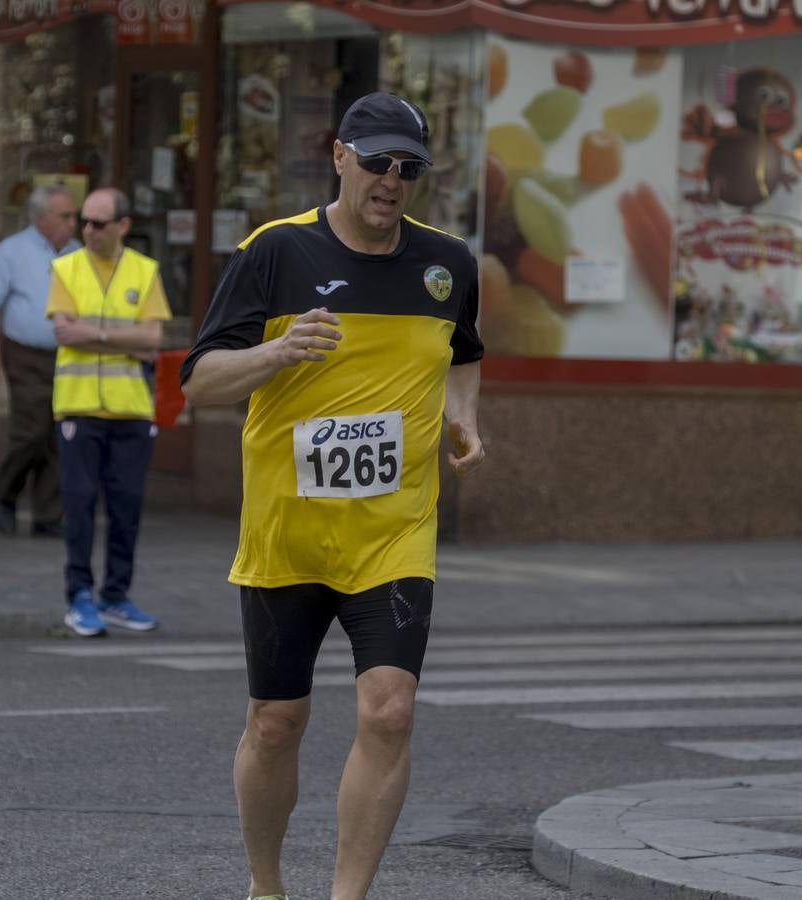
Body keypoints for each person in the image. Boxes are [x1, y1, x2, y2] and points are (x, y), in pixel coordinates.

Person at [180, 92, 485, 900]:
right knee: (276, 725)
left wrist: (463, 419)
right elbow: (200, 381)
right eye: (379, 161)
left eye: (409, 167)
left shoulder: (448, 263)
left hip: (393, 532)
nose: (392, 179)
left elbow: (464, 352)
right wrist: (278, 352)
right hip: (289, 533)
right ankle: (267, 886)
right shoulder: (274, 251)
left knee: (390, 711)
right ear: (340, 156)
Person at [49, 187, 170, 637]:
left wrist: (92, 333)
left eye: (98, 223)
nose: (88, 230)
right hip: (79, 406)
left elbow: (153, 339)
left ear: (123, 226)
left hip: (131, 410)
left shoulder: (145, 270)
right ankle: (79, 595)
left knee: (127, 507)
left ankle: (116, 596)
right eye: (84, 221)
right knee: (78, 505)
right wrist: (123, 337)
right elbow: (64, 334)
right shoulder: (65, 267)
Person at [0, 184, 80, 537]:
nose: (73, 223)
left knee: (58, 434)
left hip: (68, 355)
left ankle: (48, 515)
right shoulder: (12, 251)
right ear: (41, 217)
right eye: (65, 216)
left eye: (73, 216)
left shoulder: (78, 254)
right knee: (31, 432)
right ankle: (6, 494)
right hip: (24, 354)